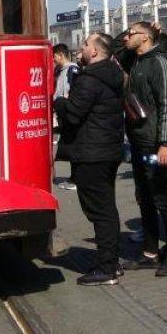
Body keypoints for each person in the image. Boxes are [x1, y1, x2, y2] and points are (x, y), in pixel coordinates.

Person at [53, 32, 126, 285]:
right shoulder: (113, 75)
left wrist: (59, 102)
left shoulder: (89, 79)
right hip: (107, 150)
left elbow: (73, 115)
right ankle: (111, 262)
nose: (81, 48)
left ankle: (107, 266)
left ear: (94, 52)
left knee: (99, 210)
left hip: (92, 153)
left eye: (85, 44)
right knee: (106, 207)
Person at [123, 21, 167, 277]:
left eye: (131, 33)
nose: (126, 37)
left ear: (146, 38)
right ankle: (150, 251)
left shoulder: (158, 62)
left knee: (163, 196)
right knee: (145, 197)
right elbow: (114, 45)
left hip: (154, 143)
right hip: (138, 141)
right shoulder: (135, 61)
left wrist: (165, 143)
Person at [52, 43, 82, 191]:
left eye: (54, 57)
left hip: (70, 113)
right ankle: (74, 177)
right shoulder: (58, 70)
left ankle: (77, 178)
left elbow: (74, 90)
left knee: (74, 147)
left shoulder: (73, 70)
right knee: (69, 146)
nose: (53, 60)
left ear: (60, 55)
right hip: (63, 113)